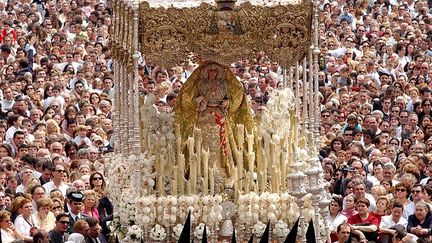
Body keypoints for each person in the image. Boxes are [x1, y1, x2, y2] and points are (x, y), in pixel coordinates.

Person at [174, 61, 254, 181]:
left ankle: (223, 173)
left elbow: (232, 97)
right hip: (205, 115)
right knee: (202, 141)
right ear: (207, 72)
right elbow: (192, 99)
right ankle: (201, 173)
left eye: (215, 71)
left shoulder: (223, 84)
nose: (213, 73)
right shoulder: (201, 83)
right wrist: (200, 102)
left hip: (220, 114)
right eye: (210, 70)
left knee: (221, 141)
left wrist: (228, 103)